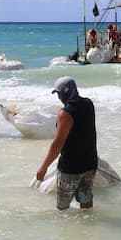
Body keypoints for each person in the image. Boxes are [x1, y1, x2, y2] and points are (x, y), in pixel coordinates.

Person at [36, 76, 98, 210]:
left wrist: (44, 167)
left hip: (71, 167)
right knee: (86, 201)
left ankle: (65, 230)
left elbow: (58, 143)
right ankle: (88, 228)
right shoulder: (88, 104)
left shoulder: (65, 114)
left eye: (58, 93)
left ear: (64, 92)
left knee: (62, 207)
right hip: (90, 163)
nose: (58, 97)